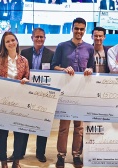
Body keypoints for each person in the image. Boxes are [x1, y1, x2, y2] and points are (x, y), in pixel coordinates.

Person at [51, 17, 94, 168]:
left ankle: (77, 154)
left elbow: (92, 68)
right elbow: (54, 66)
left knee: (79, 127)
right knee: (64, 127)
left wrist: (90, 70)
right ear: (72, 28)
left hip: (82, 93)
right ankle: (61, 155)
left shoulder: (89, 48)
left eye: (82, 29)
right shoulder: (62, 46)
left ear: (85, 30)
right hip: (66, 93)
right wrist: (63, 69)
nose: (79, 31)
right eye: (76, 28)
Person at [0, 31, 30, 168]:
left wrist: (25, 80)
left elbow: (27, 77)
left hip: (19, 102)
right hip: (2, 103)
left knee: (19, 133)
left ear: (16, 41)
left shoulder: (24, 60)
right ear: (4, 45)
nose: (11, 43)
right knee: (3, 134)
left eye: (13, 40)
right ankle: (3, 162)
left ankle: (16, 161)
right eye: (7, 41)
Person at [20, 27, 54, 162]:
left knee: (42, 124)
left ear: (45, 38)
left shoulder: (51, 54)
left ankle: (40, 153)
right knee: (24, 124)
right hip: (27, 93)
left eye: (41, 37)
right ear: (32, 38)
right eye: (37, 37)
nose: (39, 39)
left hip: (43, 95)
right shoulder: (24, 52)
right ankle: (20, 152)